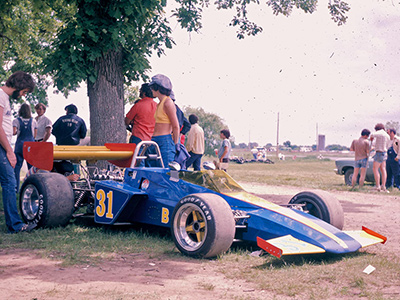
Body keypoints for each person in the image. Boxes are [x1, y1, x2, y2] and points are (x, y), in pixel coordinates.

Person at [0, 71, 37, 233]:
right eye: (24, 91)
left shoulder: (5, 98)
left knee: (9, 182)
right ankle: (15, 225)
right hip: (3, 146)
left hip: (5, 145)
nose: (23, 95)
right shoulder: (1, 96)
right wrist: (9, 151)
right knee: (9, 182)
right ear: (19, 85)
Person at [148, 74, 180, 168]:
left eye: (152, 88)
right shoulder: (160, 104)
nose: (151, 90)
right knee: (154, 170)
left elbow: (175, 126)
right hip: (155, 140)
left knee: (167, 171)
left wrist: (176, 143)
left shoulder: (168, 103)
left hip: (165, 141)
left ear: (157, 88)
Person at [13, 103, 37, 192]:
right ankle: (32, 186)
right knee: (31, 168)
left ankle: (16, 188)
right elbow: (35, 135)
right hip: (30, 145)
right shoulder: (33, 121)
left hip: (20, 145)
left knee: (17, 167)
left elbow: (14, 132)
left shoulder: (16, 120)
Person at [370, 123, 390, 192]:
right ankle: (383, 186)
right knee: (383, 169)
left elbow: (372, 134)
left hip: (379, 153)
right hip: (384, 153)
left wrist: (371, 138)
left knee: (375, 169)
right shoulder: (387, 135)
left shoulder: (380, 132)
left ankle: (378, 186)